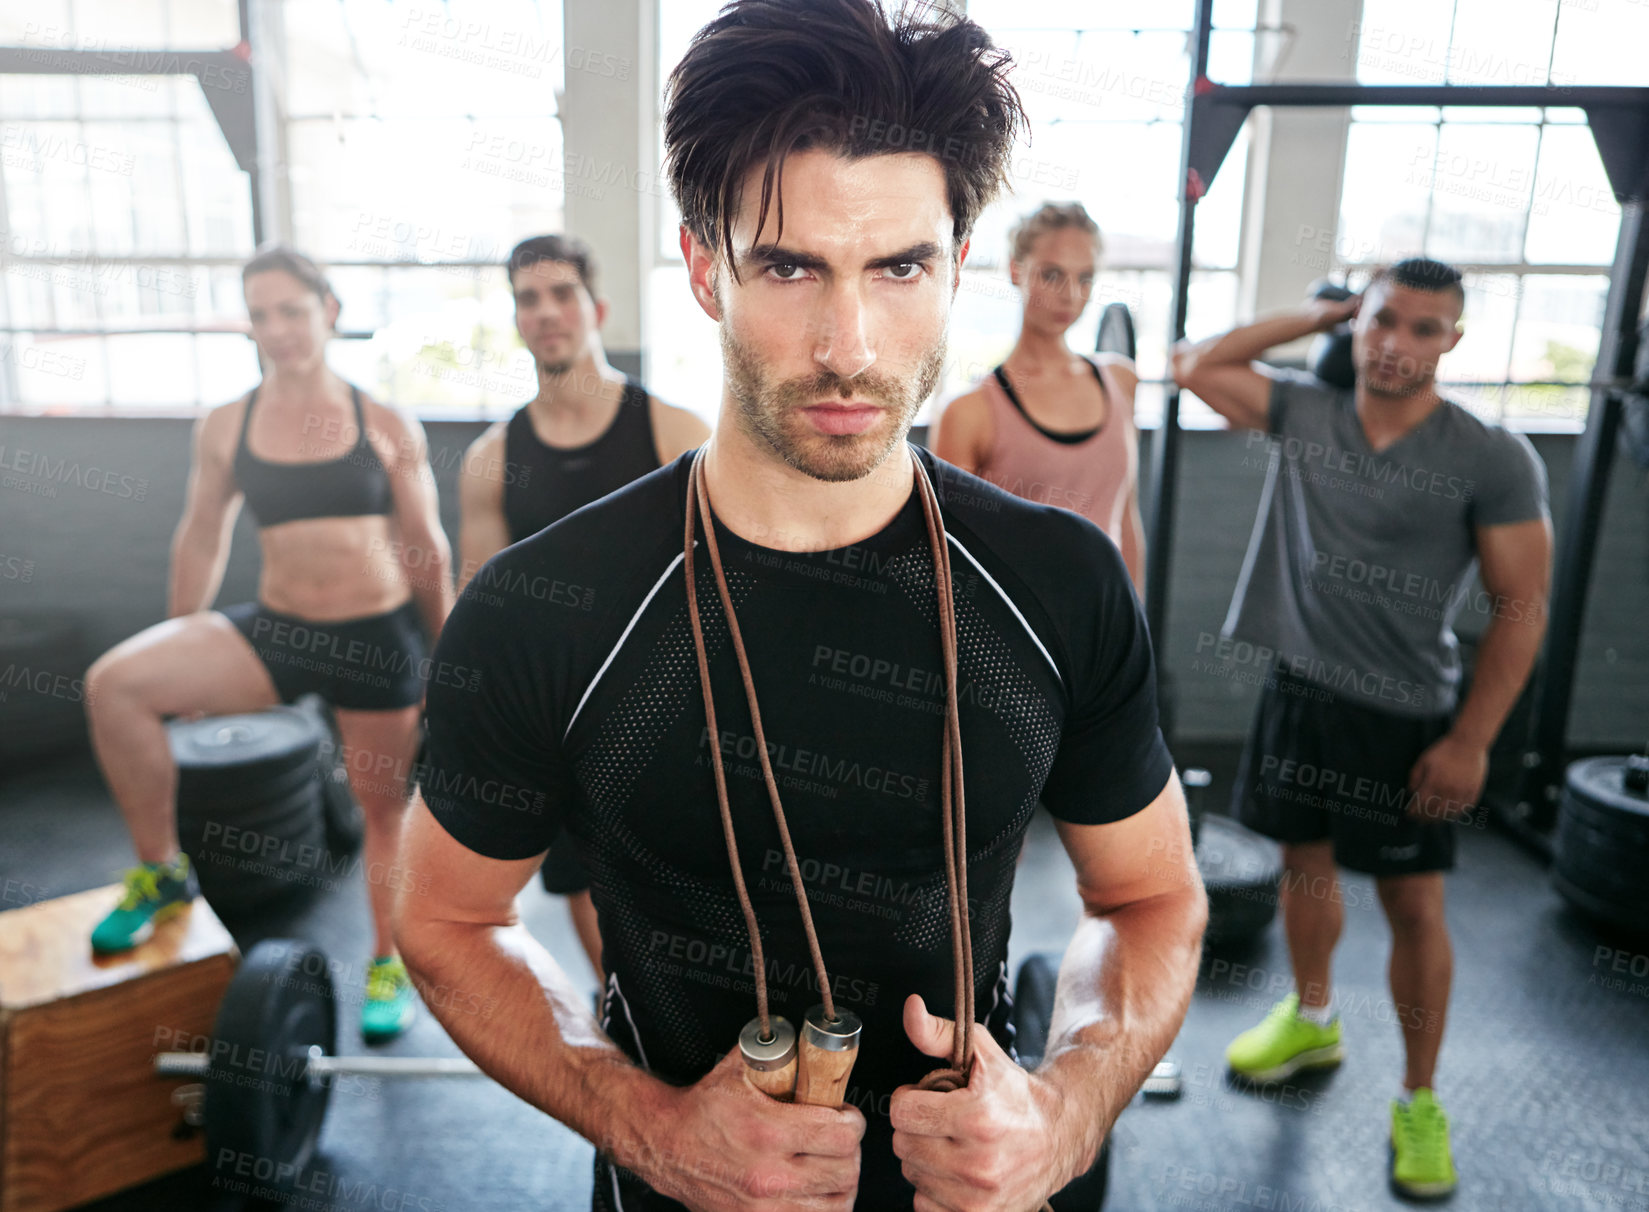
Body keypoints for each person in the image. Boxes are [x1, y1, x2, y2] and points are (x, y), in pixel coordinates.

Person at [395, 2, 1205, 1208]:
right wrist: (649, 1126)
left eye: (898, 267)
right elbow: (447, 918)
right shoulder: (545, 611)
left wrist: (1066, 1111)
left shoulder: (1056, 584)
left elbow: (1149, 896)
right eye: (788, 266)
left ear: (956, 264)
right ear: (702, 266)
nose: (848, 344)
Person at [1172, 257, 1552, 1199]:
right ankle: (1312, 1017)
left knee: (1413, 907)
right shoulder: (1306, 412)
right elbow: (1194, 365)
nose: (1397, 343)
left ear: (1452, 341)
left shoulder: (1491, 456)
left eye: (1425, 329)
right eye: (1383, 320)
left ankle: (1418, 1100)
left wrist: (1470, 741)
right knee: (1305, 865)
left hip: (1406, 715)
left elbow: (1521, 604)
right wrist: (1319, 313)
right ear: (1356, 321)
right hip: (1300, 693)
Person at [85, 245, 453, 1042]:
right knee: (115, 685)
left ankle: (387, 963)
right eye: (261, 314)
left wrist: (446, 656)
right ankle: (161, 873)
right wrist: (184, 629)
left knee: (381, 814)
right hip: (278, 630)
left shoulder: (382, 421)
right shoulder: (227, 423)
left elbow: (427, 548)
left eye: (292, 310)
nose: (277, 328)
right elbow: (201, 535)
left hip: (373, 637)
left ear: (329, 312)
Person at [456, 235, 710, 983]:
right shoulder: (491, 457)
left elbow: (728, 586)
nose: (546, 312)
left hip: (672, 711)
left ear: (595, 308)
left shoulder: (674, 431)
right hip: (559, 721)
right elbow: (483, 612)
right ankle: (630, 1023)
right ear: (515, 319)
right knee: (590, 898)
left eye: (560, 293)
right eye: (528, 299)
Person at [931, 201, 1146, 591]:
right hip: (1021, 628)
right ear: (1016, 270)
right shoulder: (970, 412)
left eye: (1085, 279)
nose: (1070, 295)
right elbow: (950, 558)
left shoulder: (1121, 381)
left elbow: (1126, 518)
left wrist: (1136, 629)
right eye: (1052, 275)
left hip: (1109, 622)